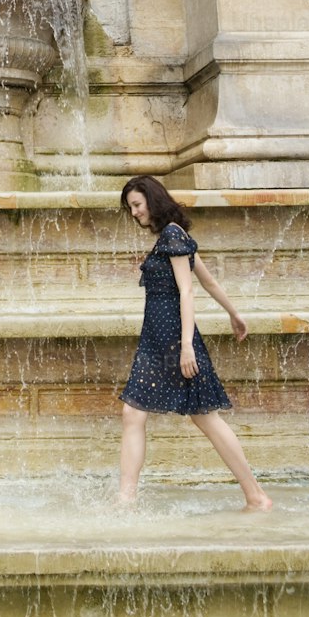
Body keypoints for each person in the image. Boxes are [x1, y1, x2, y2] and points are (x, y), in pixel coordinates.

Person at [118, 175, 273, 511]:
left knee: (205, 418)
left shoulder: (172, 235)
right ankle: (125, 499)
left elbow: (188, 290)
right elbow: (210, 281)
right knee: (134, 413)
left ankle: (257, 496)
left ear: (152, 200)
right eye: (130, 207)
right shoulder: (175, 235)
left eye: (137, 205)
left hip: (175, 340)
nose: (134, 213)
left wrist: (187, 345)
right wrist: (235, 314)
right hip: (157, 340)